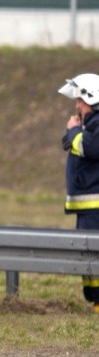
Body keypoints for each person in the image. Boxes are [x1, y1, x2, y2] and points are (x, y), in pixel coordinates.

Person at [59, 73, 99, 314]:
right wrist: (74, 133)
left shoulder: (97, 124)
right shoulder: (91, 125)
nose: (77, 106)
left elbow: (90, 148)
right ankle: (96, 302)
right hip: (88, 207)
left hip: (95, 207)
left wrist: (73, 132)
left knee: (93, 254)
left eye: (80, 101)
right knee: (89, 256)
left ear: (92, 98)